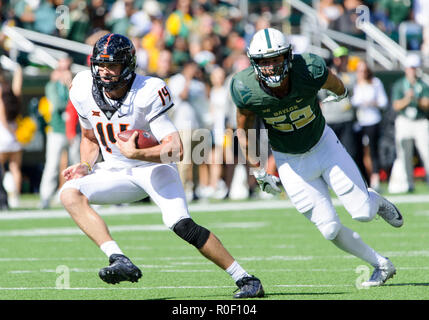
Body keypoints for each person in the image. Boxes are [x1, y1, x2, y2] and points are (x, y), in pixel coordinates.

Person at [59, 33, 264, 299]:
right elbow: (89, 138)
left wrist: (137, 153)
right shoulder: (81, 87)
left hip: (154, 168)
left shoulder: (148, 90)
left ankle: (246, 279)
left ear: (128, 65)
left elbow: (175, 149)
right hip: (116, 171)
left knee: (181, 225)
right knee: (69, 193)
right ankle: (118, 258)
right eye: (101, 64)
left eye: (112, 65)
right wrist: (86, 164)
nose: (105, 71)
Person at [230, 28, 403, 287]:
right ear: (254, 63)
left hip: (324, 146)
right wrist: (257, 171)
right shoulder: (245, 88)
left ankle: (374, 200)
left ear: (289, 56)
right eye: (264, 61)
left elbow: (341, 89)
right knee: (329, 229)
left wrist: (336, 95)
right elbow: (243, 131)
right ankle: (381, 264)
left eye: (276, 58)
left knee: (364, 213)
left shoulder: (309, 69)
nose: (271, 66)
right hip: (290, 161)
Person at [388, 54, 429, 193]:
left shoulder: (423, 84)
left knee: (426, 152)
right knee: (404, 153)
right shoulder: (400, 84)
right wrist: (407, 99)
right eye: (410, 68)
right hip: (404, 121)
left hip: (420, 121)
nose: (412, 71)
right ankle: (408, 183)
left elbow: (427, 103)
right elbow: (396, 105)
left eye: (414, 68)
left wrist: (415, 99)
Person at [39, 56, 73, 209]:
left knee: (78, 163)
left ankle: (81, 196)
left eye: (67, 69)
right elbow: (58, 104)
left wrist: (69, 85)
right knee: (52, 165)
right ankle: (45, 197)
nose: (64, 73)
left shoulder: (75, 85)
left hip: (73, 131)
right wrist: (66, 87)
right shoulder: (52, 86)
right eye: (61, 70)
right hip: (57, 130)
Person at [351, 60, 388, 191]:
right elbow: (353, 101)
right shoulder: (355, 84)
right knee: (359, 152)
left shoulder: (375, 83)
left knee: (373, 150)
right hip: (359, 122)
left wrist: (372, 103)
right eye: (360, 71)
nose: (362, 73)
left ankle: (375, 178)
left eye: (364, 71)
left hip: (373, 120)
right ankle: (364, 179)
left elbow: (384, 101)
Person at [0, 64, 23, 208]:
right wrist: (18, 71)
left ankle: (4, 197)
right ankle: (16, 198)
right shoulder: (13, 93)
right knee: (15, 168)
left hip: (3, 134)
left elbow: (2, 117)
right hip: (15, 134)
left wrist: (9, 131)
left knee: (1, 169)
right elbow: (18, 88)